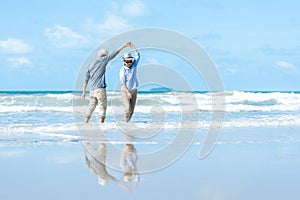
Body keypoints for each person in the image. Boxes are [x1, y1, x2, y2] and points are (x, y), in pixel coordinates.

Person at [82, 42, 131, 123]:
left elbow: (86, 79)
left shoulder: (90, 65)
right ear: (104, 56)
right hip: (100, 89)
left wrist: (84, 92)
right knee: (102, 106)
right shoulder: (103, 61)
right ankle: (101, 124)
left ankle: (86, 122)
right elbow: (114, 54)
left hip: (92, 90)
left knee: (91, 106)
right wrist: (123, 46)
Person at [119, 42, 140, 122]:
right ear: (124, 61)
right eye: (127, 61)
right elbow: (123, 84)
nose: (129, 63)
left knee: (132, 110)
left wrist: (132, 46)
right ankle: (125, 123)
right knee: (127, 109)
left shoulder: (134, 65)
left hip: (134, 90)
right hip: (125, 90)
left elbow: (138, 55)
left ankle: (128, 124)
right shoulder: (122, 71)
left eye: (130, 61)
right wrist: (128, 92)